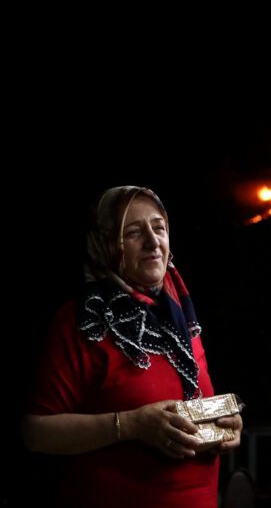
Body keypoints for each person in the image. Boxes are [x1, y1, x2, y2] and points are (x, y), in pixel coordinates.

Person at [22, 186, 243, 507]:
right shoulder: (82, 322)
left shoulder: (182, 318)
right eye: (134, 232)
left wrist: (225, 426)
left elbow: (195, 404)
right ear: (106, 242)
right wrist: (131, 425)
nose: (153, 242)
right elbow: (35, 432)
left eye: (160, 228)